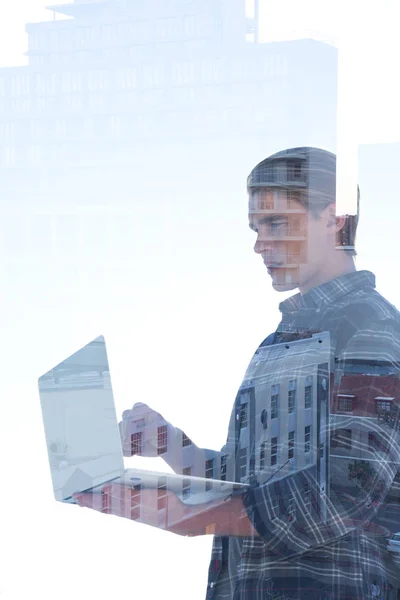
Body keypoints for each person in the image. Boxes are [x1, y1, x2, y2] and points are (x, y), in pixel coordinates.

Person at [75, 147, 400, 599]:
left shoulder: (372, 326)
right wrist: (172, 445)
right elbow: (249, 483)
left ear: (334, 218)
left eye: (276, 223)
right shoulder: (279, 343)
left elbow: (346, 491)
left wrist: (190, 516)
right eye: (255, 228)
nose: (259, 244)